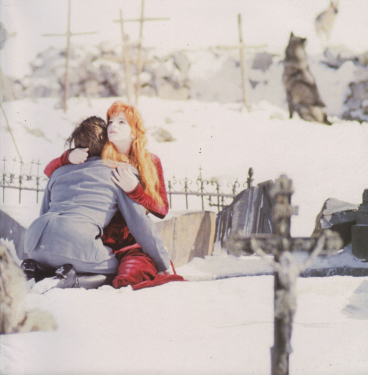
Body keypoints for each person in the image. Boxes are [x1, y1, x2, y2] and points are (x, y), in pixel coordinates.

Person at [43, 102, 184, 289]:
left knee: (130, 277)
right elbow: (50, 172)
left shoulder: (151, 161)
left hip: (132, 240)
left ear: (134, 131)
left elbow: (162, 209)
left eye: (121, 122)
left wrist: (136, 191)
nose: (113, 126)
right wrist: (67, 157)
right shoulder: (102, 156)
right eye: (110, 121)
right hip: (100, 238)